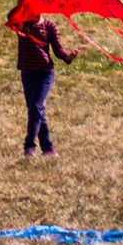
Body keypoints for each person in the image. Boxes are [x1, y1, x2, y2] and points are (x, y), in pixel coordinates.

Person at [15, 15, 74, 156]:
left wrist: (67, 57)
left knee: (36, 107)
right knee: (36, 110)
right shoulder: (21, 24)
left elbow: (57, 48)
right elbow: (11, 17)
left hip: (45, 73)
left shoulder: (49, 26)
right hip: (27, 72)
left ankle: (29, 146)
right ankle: (48, 148)